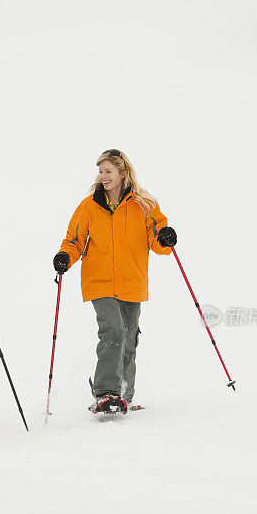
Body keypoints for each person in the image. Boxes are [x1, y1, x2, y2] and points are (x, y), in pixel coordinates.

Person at [53, 149, 177, 414]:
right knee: (114, 330)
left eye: (108, 171)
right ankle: (106, 392)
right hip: (100, 280)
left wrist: (166, 238)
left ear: (123, 173)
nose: (103, 176)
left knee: (129, 337)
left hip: (132, 281)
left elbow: (157, 239)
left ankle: (124, 395)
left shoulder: (145, 204)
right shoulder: (89, 206)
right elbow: (75, 240)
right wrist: (65, 256)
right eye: (100, 171)